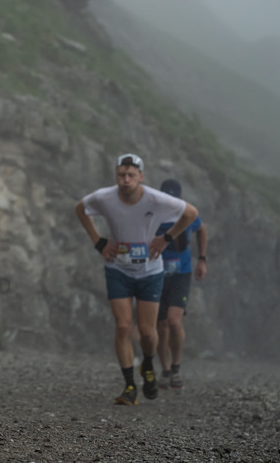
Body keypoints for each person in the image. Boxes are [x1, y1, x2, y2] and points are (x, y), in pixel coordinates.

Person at [75, 153, 199, 406]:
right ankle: (129, 386)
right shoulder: (104, 197)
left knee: (147, 332)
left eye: (132, 175)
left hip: (150, 272)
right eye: (121, 175)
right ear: (116, 176)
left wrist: (165, 239)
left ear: (141, 177)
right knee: (122, 326)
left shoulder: (156, 198)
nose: (126, 180)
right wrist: (98, 241)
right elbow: (80, 209)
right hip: (117, 269)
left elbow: (191, 213)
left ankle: (149, 364)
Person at [155, 178, 208, 390]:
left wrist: (202, 259)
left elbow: (201, 230)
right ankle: (165, 370)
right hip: (155, 274)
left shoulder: (187, 213)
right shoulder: (152, 213)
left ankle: (176, 366)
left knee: (174, 322)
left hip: (181, 274)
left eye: (173, 199)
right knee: (161, 325)